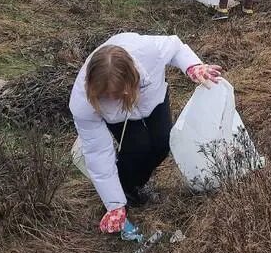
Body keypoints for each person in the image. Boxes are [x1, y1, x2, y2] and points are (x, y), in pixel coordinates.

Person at [69, 33, 223, 232]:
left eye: (116, 94)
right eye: (107, 96)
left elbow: (176, 47)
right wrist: (114, 205)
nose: (112, 99)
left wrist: (192, 65)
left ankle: (134, 184)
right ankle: (126, 191)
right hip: (117, 117)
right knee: (137, 148)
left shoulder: (149, 51)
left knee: (162, 143)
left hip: (153, 99)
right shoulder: (83, 103)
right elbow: (98, 152)